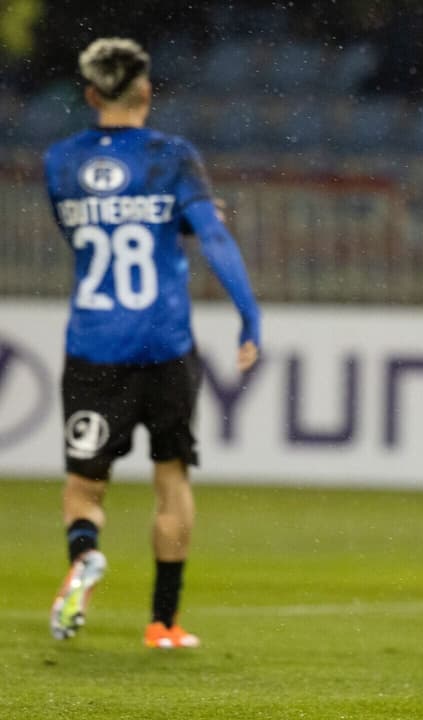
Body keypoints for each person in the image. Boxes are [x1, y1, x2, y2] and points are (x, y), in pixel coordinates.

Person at [44, 38, 261, 650]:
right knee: (171, 480)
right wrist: (249, 316)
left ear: (90, 94)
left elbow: (78, 230)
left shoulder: (60, 161)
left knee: (85, 487)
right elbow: (215, 240)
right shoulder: (172, 157)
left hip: (93, 347)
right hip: (165, 346)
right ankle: (163, 622)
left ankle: (84, 554)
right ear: (146, 91)